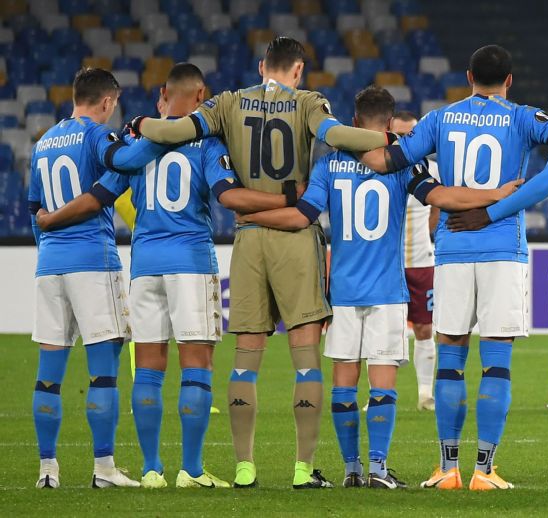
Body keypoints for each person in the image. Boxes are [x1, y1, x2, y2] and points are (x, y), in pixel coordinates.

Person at [130, 37, 396, 489]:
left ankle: (243, 467)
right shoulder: (309, 102)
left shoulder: (228, 103)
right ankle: (302, 468)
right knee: (307, 360)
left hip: (249, 238)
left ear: (260, 66)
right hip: (295, 238)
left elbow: (172, 132)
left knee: (244, 361)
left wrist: (140, 121)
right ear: (297, 70)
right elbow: (339, 137)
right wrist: (388, 137)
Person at [357, 44, 548, 491]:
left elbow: (393, 161)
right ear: (510, 80)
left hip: (452, 246)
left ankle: (446, 469)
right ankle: (484, 471)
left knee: (450, 359)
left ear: (468, 77)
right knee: (496, 361)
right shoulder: (522, 116)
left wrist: (343, 140)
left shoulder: (440, 119)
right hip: (503, 247)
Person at [239, 86, 522, 489]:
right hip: (387, 290)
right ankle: (377, 468)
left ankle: (351, 469)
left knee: (344, 382)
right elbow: (441, 196)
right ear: (389, 125)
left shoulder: (329, 164)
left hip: (343, 291)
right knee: (382, 382)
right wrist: (496, 194)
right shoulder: (402, 166)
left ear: (353, 123)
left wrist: (252, 217)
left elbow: (301, 216)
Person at [36, 63, 294, 489]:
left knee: (150, 369)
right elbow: (228, 196)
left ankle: (152, 469)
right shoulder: (207, 142)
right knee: (197, 366)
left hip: (144, 265)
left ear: (162, 94)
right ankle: (190, 470)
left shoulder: (137, 141)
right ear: (201, 97)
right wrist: (287, 196)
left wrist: (50, 220)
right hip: (190, 261)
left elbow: (99, 195)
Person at [28, 67, 170, 488]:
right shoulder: (96, 136)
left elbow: (35, 209)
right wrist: (155, 136)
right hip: (93, 260)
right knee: (102, 371)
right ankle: (105, 469)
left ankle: (47, 470)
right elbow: (124, 162)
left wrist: (49, 249)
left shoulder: (44, 142)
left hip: (49, 267)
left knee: (48, 373)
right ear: (108, 102)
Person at [391, 110, 439, 412]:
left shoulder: (432, 168)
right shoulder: (380, 167)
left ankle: (425, 395)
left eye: (411, 133)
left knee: (424, 329)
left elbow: (437, 206)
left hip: (422, 262)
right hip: (389, 265)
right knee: (385, 332)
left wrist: (429, 234)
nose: (407, 139)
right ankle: (381, 395)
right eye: (400, 134)